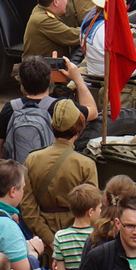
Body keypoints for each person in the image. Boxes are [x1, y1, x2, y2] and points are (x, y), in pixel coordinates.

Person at [20, 98, 98, 254]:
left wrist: (50, 240)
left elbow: (28, 209)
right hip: (77, 245)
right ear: (79, 129)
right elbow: (92, 210)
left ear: (52, 126)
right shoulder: (86, 164)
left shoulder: (32, 159)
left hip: (43, 243)